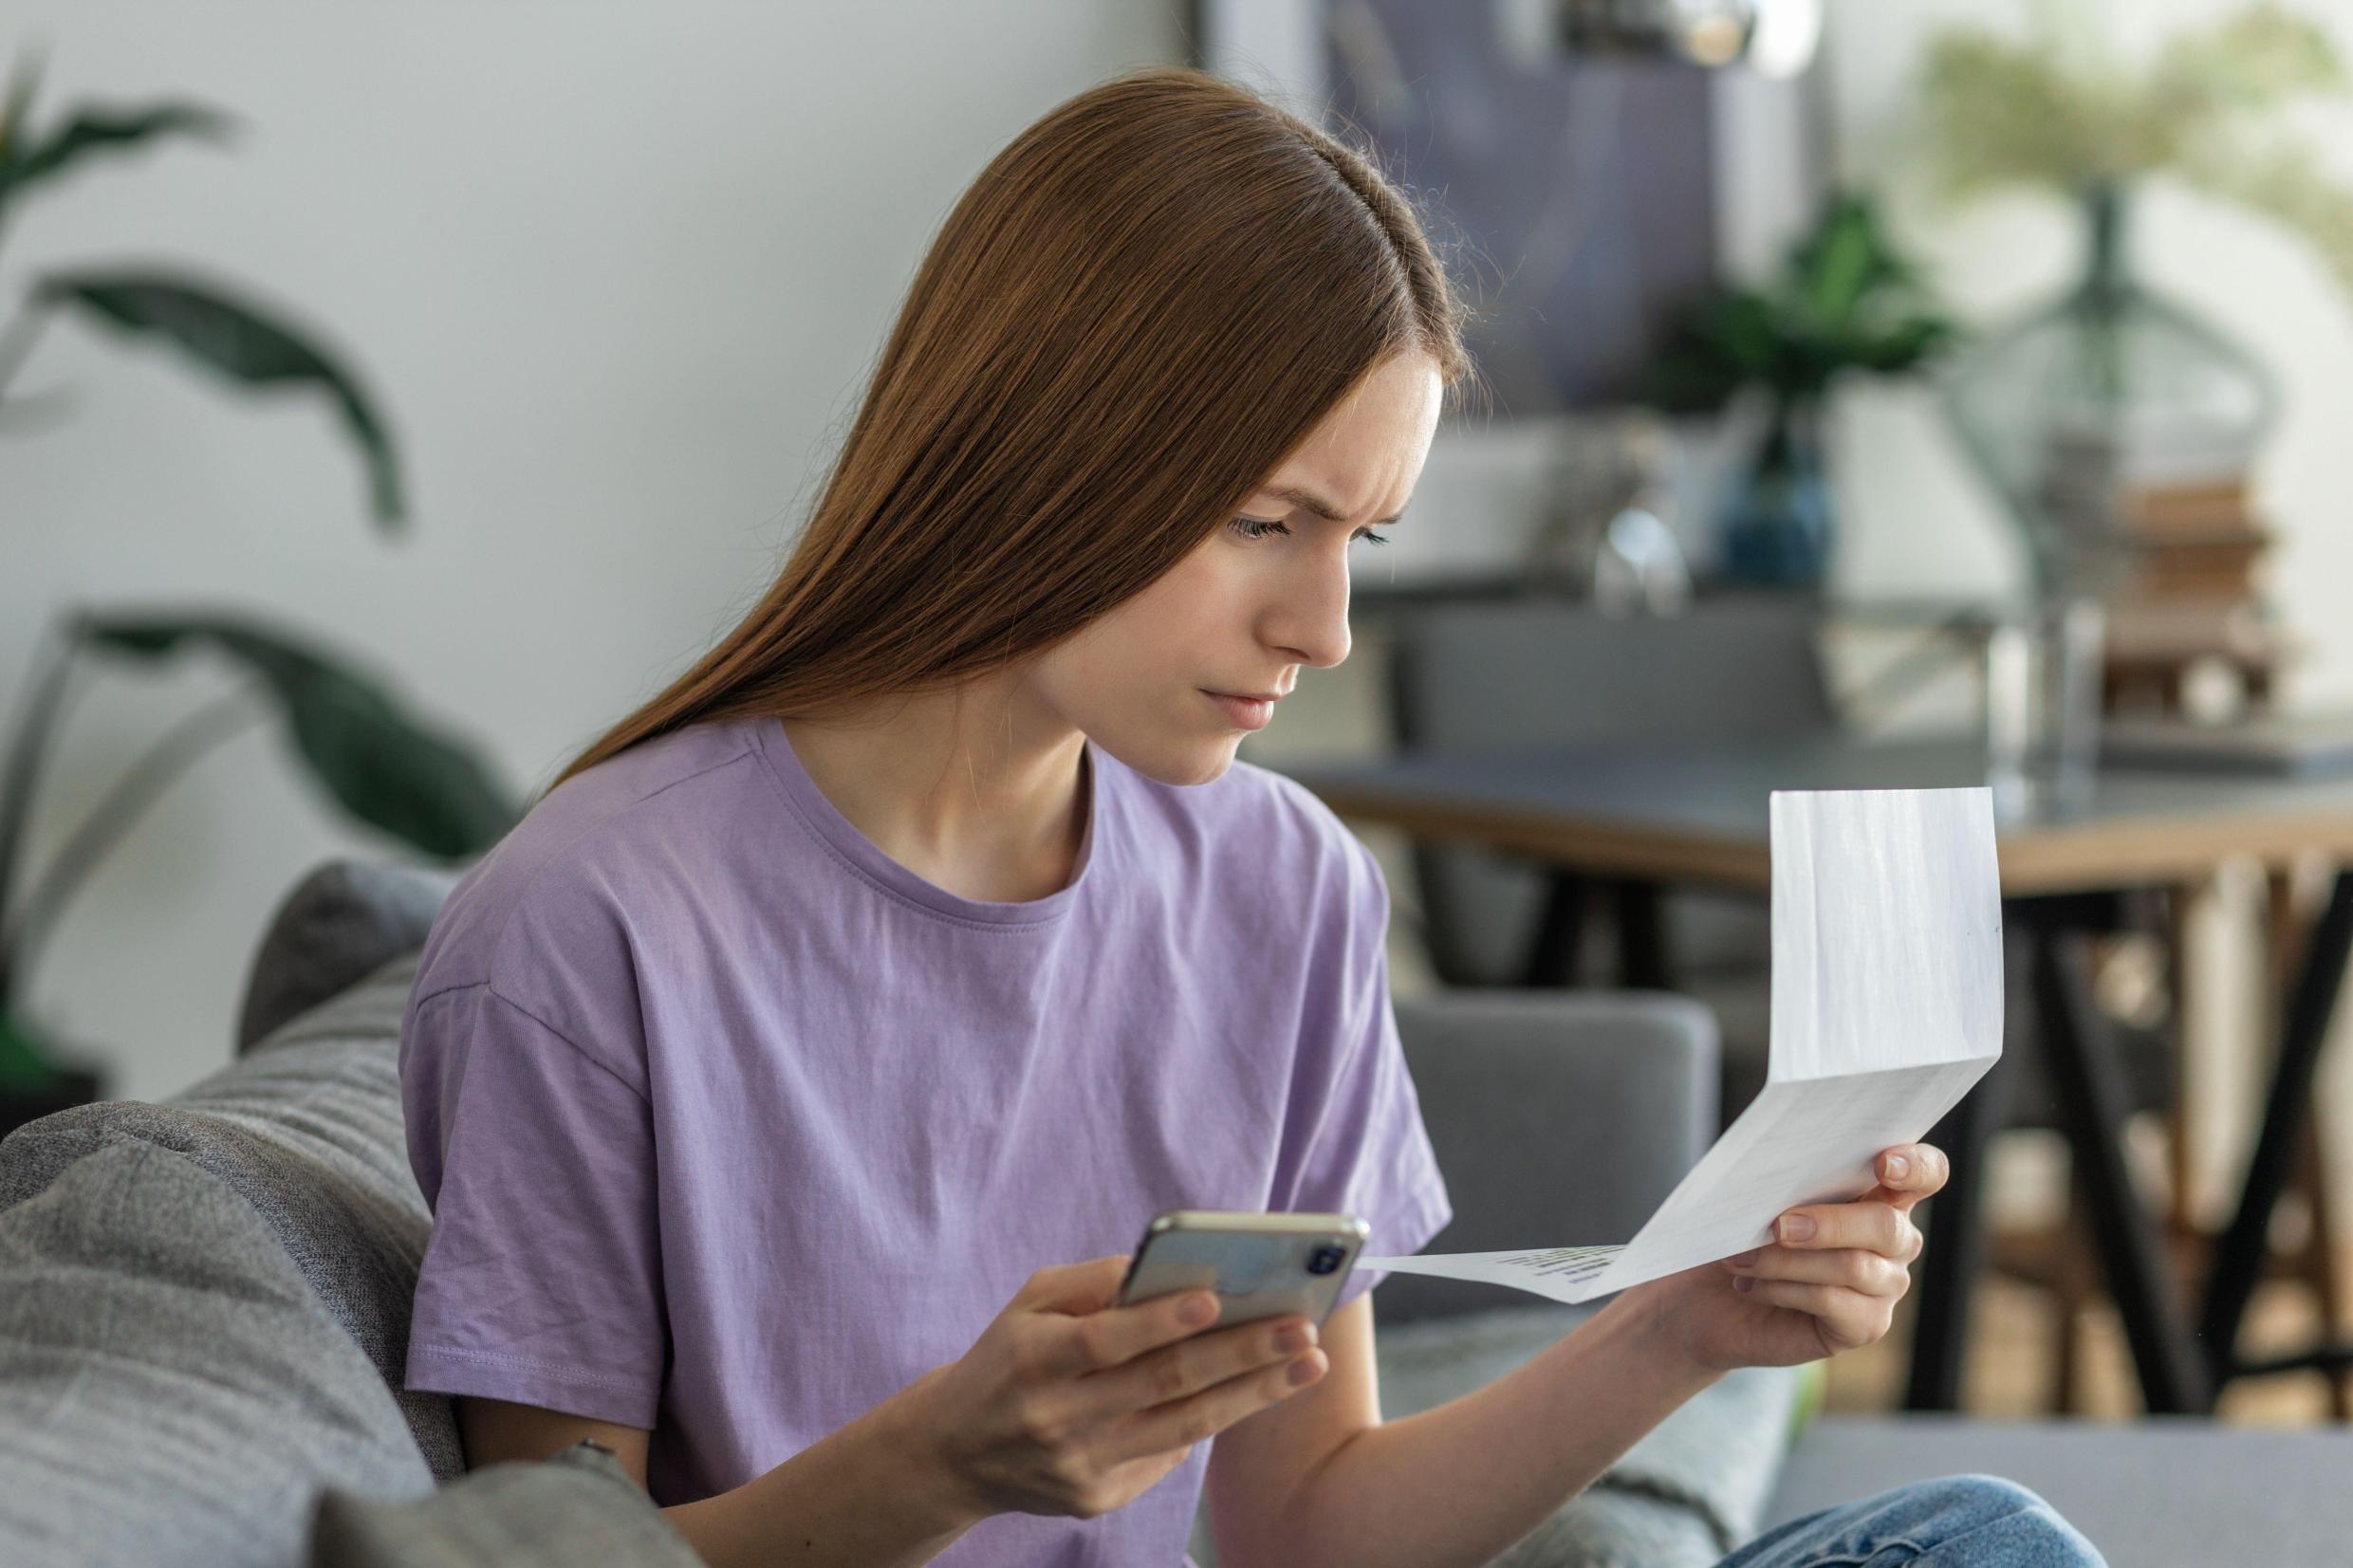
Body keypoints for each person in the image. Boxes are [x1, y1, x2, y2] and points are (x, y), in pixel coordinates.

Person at [397, 64, 2107, 1568]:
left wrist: (1688, 1324)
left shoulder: (1280, 883)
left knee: (1976, 1546)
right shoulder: (590, 923)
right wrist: (938, 1467)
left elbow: (1312, 1526)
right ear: (1042, 448)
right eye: (1263, 522)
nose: (1327, 631)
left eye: (1357, 539)